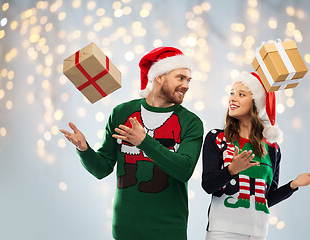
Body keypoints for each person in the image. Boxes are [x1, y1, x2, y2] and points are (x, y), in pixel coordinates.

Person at [60, 46, 204, 240]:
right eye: (180, 78)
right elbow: (102, 169)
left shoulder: (191, 122)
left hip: (169, 231)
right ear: (159, 76)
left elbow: (184, 170)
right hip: (125, 228)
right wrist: (84, 149)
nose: (186, 85)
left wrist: (144, 141)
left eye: (188, 80)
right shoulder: (121, 113)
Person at [201, 72, 310, 240]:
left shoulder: (272, 148)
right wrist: (231, 170)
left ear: (256, 104)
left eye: (241, 94)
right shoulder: (216, 138)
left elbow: (266, 199)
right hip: (222, 231)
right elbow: (208, 185)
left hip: (258, 233)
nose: (232, 98)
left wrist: (294, 185)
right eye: (232, 93)